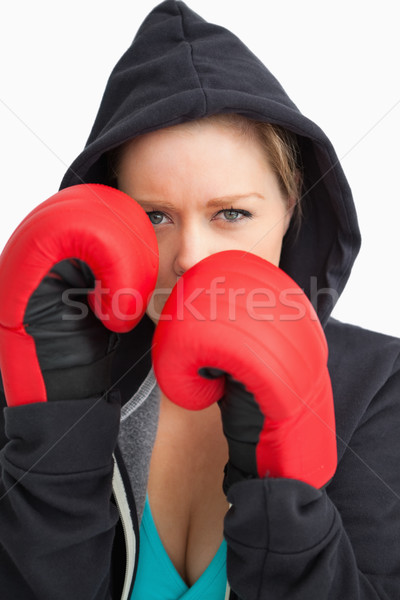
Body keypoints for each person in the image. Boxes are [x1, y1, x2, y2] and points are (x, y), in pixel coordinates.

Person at [0, 1, 399, 598]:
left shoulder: (379, 381)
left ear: (293, 208)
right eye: (154, 215)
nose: (189, 256)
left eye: (232, 213)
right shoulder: (38, 368)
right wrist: (61, 435)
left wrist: (282, 496)